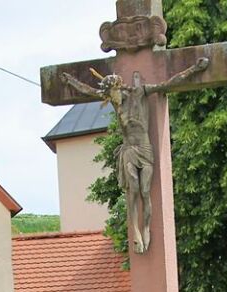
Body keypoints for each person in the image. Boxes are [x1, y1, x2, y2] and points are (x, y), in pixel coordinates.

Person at [60, 58, 208, 253]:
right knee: (133, 191)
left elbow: (170, 83)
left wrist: (194, 69)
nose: (113, 99)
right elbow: (88, 91)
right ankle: (135, 231)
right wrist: (70, 81)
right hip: (129, 150)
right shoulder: (113, 101)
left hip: (145, 149)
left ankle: (146, 227)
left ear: (119, 87)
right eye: (109, 96)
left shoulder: (139, 92)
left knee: (145, 192)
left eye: (113, 94)